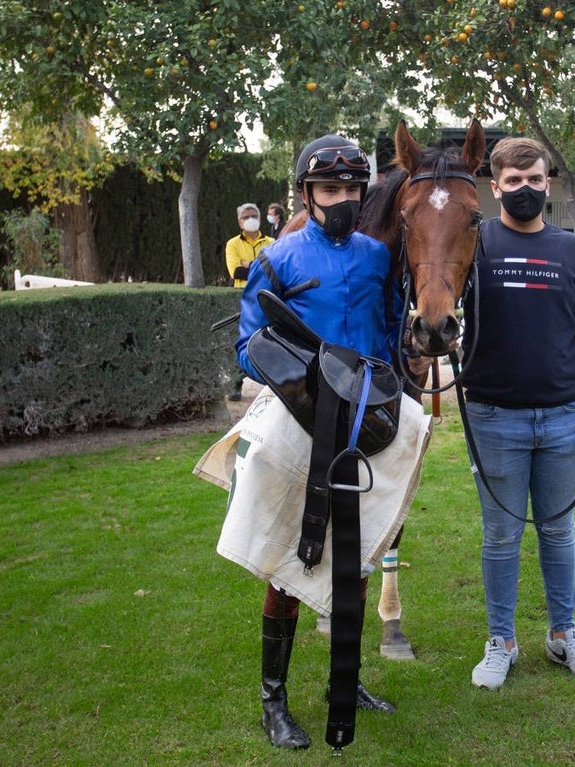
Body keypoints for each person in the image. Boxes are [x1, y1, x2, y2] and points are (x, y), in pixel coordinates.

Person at [231, 134, 431, 750]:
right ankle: (274, 701)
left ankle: (346, 680)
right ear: (307, 194)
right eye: (328, 189)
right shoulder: (278, 260)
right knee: (289, 564)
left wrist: (421, 345)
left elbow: (397, 325)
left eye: (351, 189)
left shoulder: (378, 257)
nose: (341, 199)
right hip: (303, 425)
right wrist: (295, 379)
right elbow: (246, 343)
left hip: (369, 424)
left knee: (362, 556)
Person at [460, 136, 575, 691]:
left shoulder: (573, 251)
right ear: (495, 185)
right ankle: (500, 640)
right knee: (501, 535)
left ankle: (562, 634)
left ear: (548, 183)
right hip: (491, 415)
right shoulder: (473, 245)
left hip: (561, 418)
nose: (525, 190)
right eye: (513, 181)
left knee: (558, 530)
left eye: (535, 180)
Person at [224, 203, 274, 399]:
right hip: (241, 297)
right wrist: (259, 266)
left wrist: (248, 265)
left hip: (267, 298)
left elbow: (275, 270)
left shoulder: (271, 242)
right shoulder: (233, 244)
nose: (250, 219)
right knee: (241, 341)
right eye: (246, 216)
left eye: (254, 215)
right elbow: (235, 271)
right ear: (239, 221)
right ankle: (236, 383)